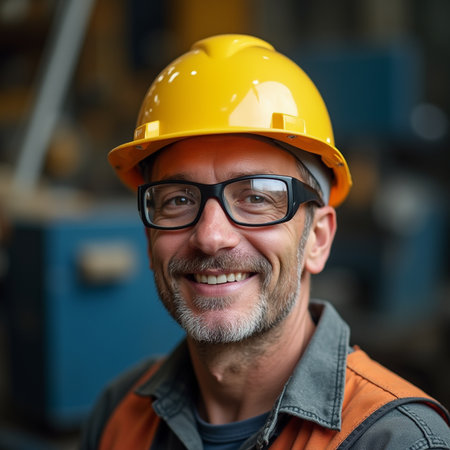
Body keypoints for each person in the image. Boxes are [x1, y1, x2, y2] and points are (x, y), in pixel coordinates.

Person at [81, 34, 450, 449]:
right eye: (179, 200)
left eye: (256, 197)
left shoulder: (396, 441)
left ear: (319, 239)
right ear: (150, 239)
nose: (210, 236)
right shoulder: (118, 414)